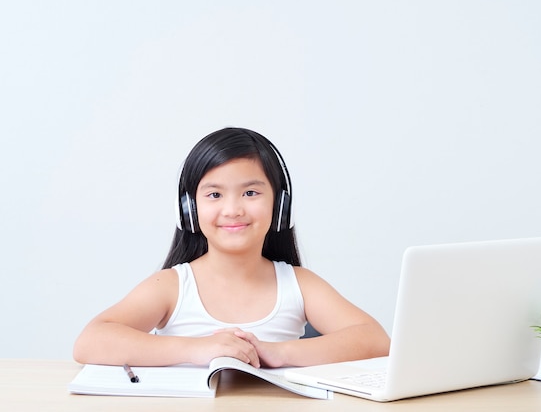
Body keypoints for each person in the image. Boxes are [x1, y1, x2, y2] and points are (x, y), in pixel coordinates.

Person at [73, 127, 390, 368]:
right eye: (214, 195)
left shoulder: (298, 284)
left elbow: (376, 340)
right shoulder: (172, 285)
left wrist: (276, 352)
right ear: (189, 211)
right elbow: (89, 342)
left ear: (280, 207)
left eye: (251, 193)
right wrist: (199, 349)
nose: (233, 209)